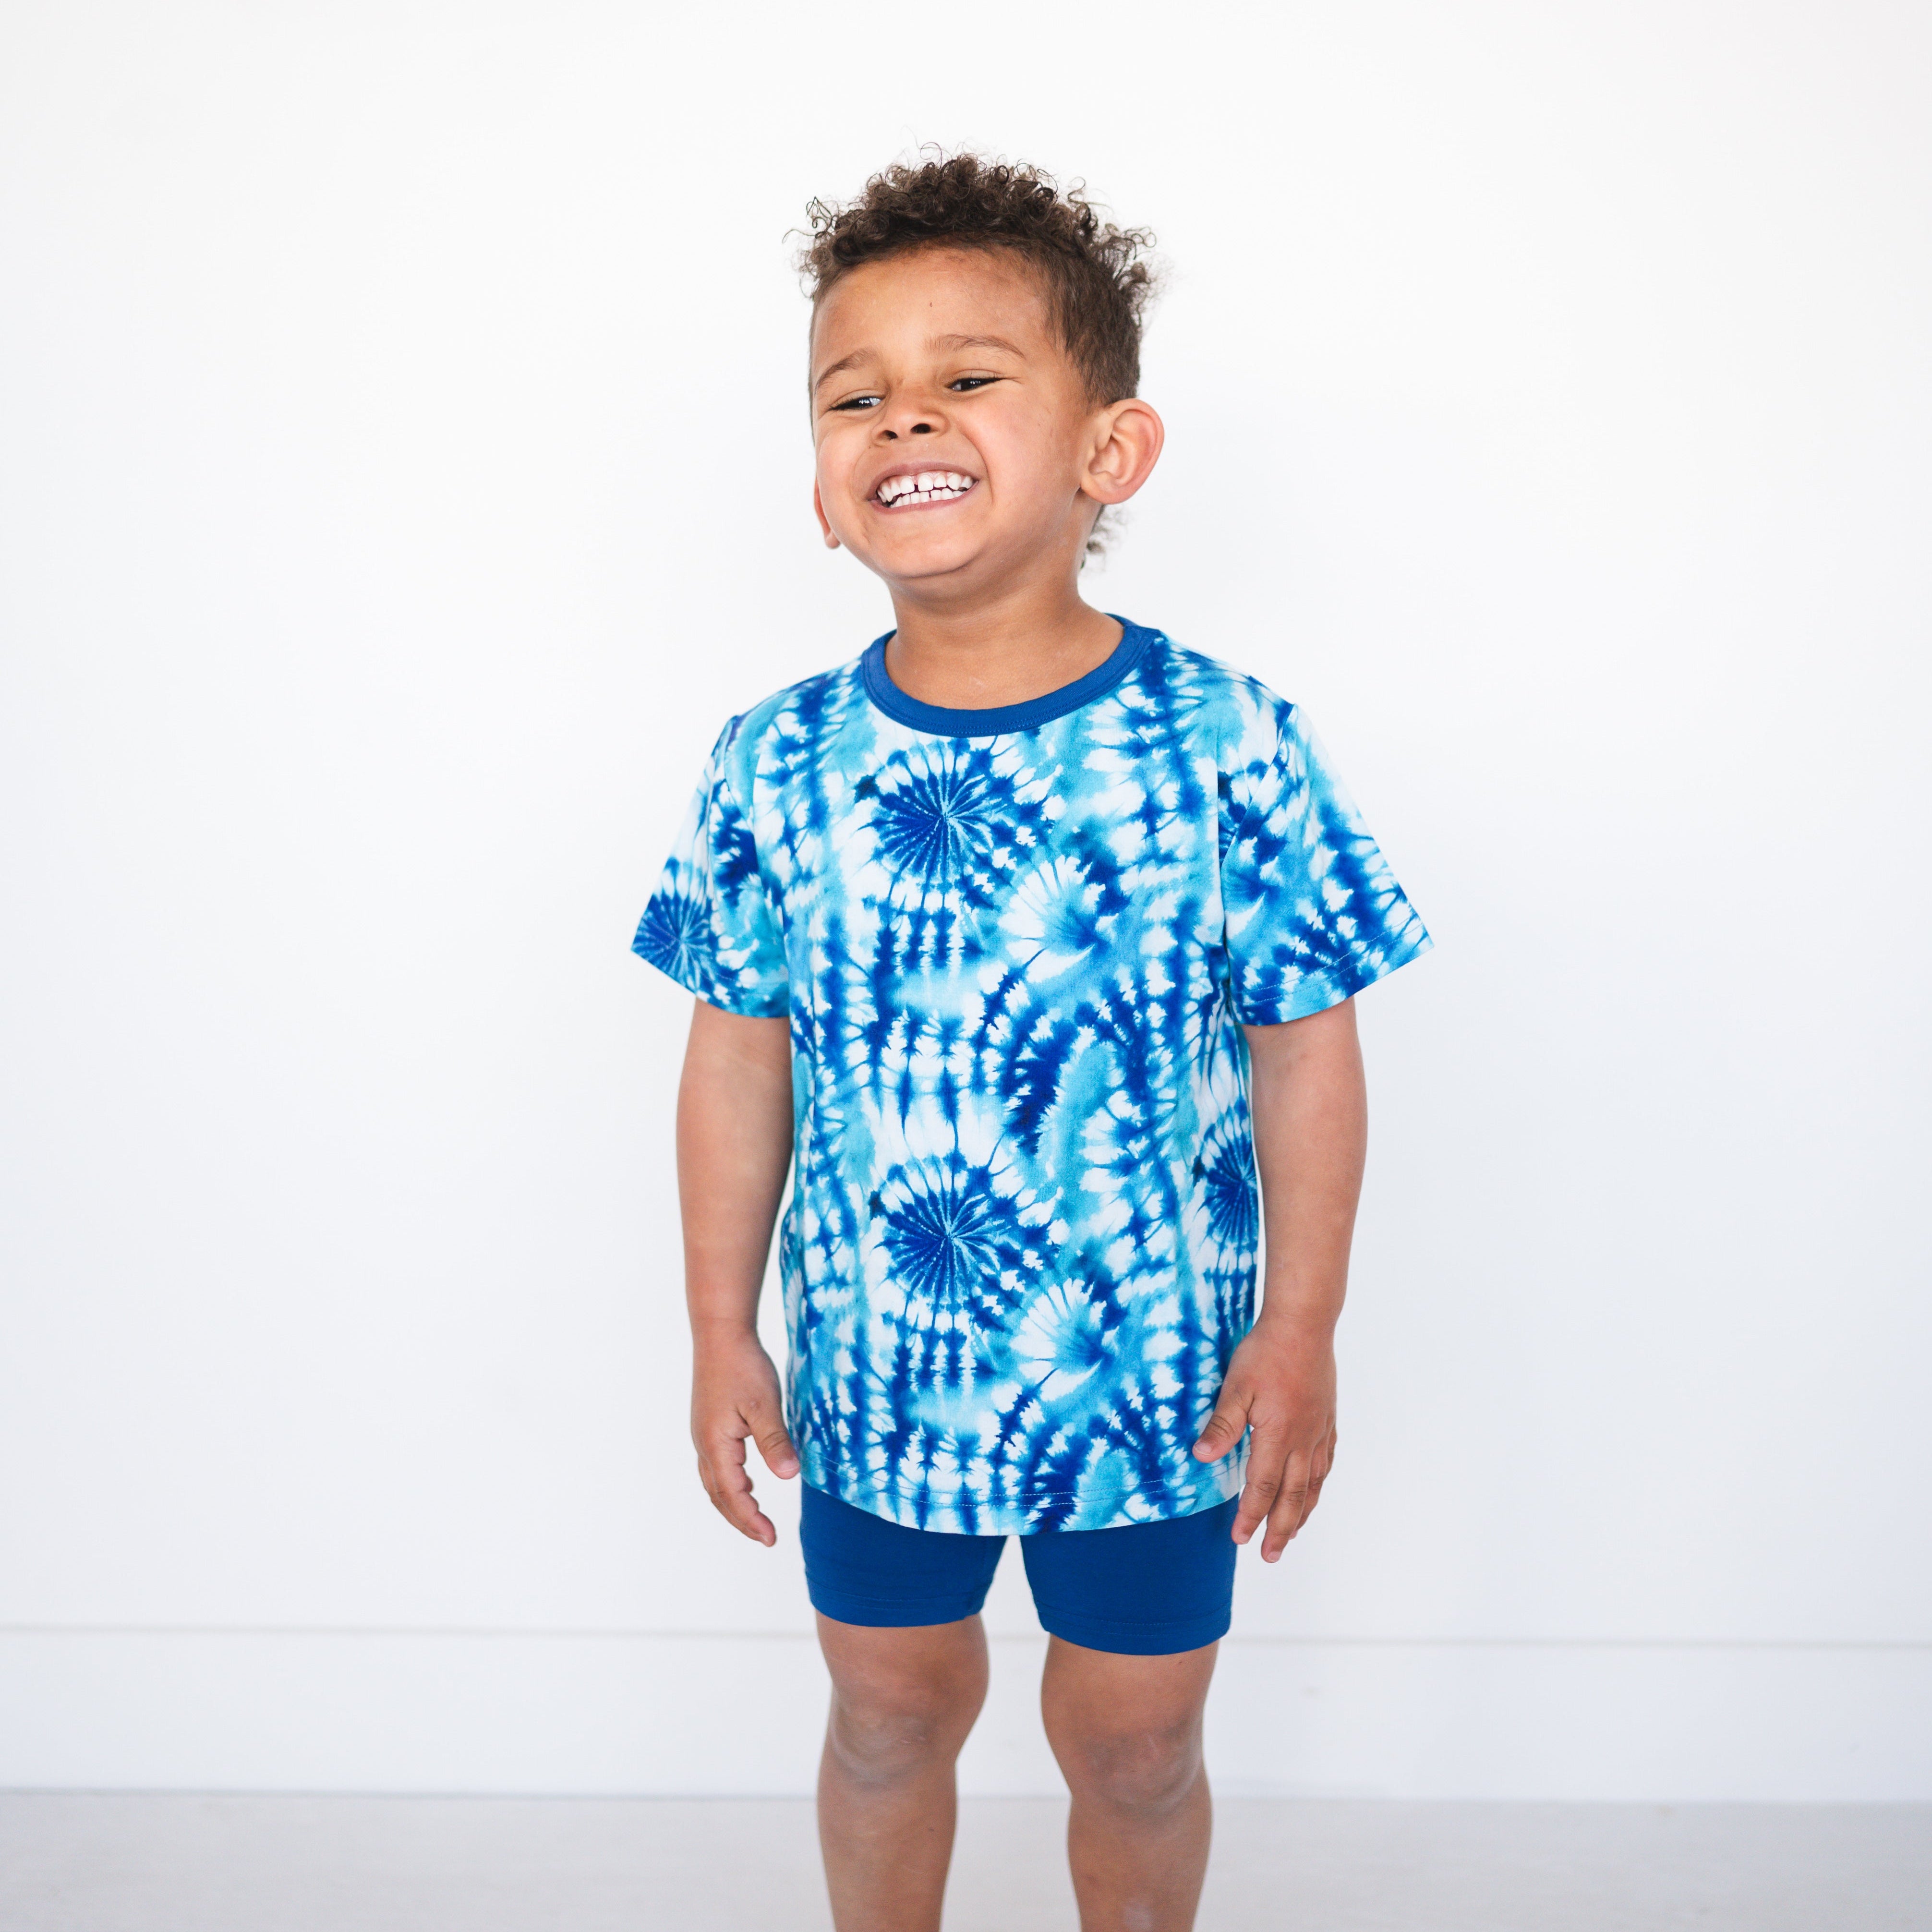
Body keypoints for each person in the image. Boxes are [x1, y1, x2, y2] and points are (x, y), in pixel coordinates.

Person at [632, 151, 1431, 1932]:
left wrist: (1303, 1321)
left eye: (968, 375)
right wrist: (714, 1322)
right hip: (877, 1373)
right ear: (828, 488)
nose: (902, 413)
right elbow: (735, 1056)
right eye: (855, 393)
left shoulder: (1227, 745)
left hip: (1154, 1384)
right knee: (887, 1713)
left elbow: (1310, 1047)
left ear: (1108, 452)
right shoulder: (768, 764)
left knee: (1140, 1745)